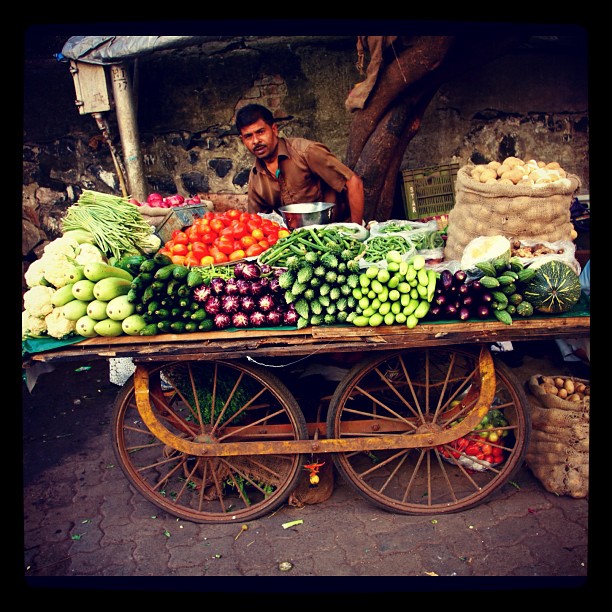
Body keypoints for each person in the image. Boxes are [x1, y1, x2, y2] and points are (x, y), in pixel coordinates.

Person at [235, 104, 365, 225]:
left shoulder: (307, 152)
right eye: (248, 136)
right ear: (242, 140)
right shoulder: (256, 177)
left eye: (260, 132)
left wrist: (357, 230)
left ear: (274, 129)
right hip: (298, 241)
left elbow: (353, 182)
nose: (256, 141)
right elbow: (255, 222)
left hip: (339, 231)